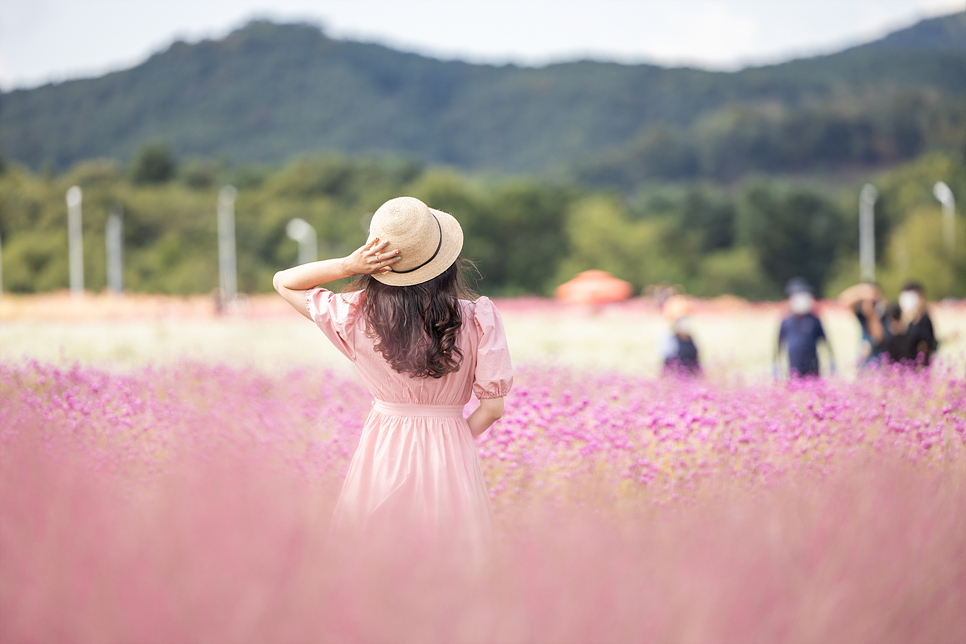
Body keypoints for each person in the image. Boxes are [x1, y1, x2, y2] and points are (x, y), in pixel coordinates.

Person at [273, 196, 513, 557]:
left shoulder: (354, 316)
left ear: (379, 265)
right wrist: (453, 435)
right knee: (452, 556)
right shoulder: (479, 317)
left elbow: (284, 282)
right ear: (447, 263)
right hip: (450, 445)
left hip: (385, 442)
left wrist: (349, 264)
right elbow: (493, 409)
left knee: (376, 552)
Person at [776, 278, 834, 378]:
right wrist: (775, 364)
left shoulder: (814, 319)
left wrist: (832, 360)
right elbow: (778, 343)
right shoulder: (786, 321)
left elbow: (825, 340)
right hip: (794, 367)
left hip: (813, 366)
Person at [885, 281, 938, 366]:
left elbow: (926, 346)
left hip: (916, 369)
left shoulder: (924, 321)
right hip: (902, 368)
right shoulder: (900, 318)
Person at [659, 295, 701, 376]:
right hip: (677, 378)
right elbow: (667, 362)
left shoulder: (690, 338)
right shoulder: (670, 339)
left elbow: (696, 362)